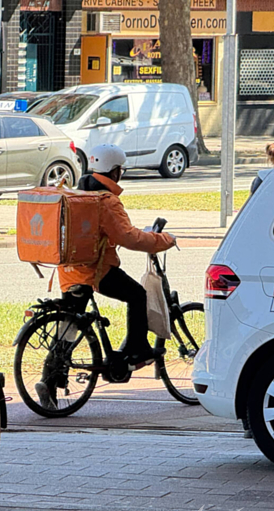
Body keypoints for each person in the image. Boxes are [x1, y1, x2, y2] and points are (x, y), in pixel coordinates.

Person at [35, 144, 177, 411]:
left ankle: (48, 380)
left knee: (69, 325)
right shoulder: (106, 200)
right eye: (120, 170)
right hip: (96, 271)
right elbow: (129, 237)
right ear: (115, 171)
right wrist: (163, 240)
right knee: (137, 294)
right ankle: (136, 350)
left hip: (69, 269)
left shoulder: (77, 193)